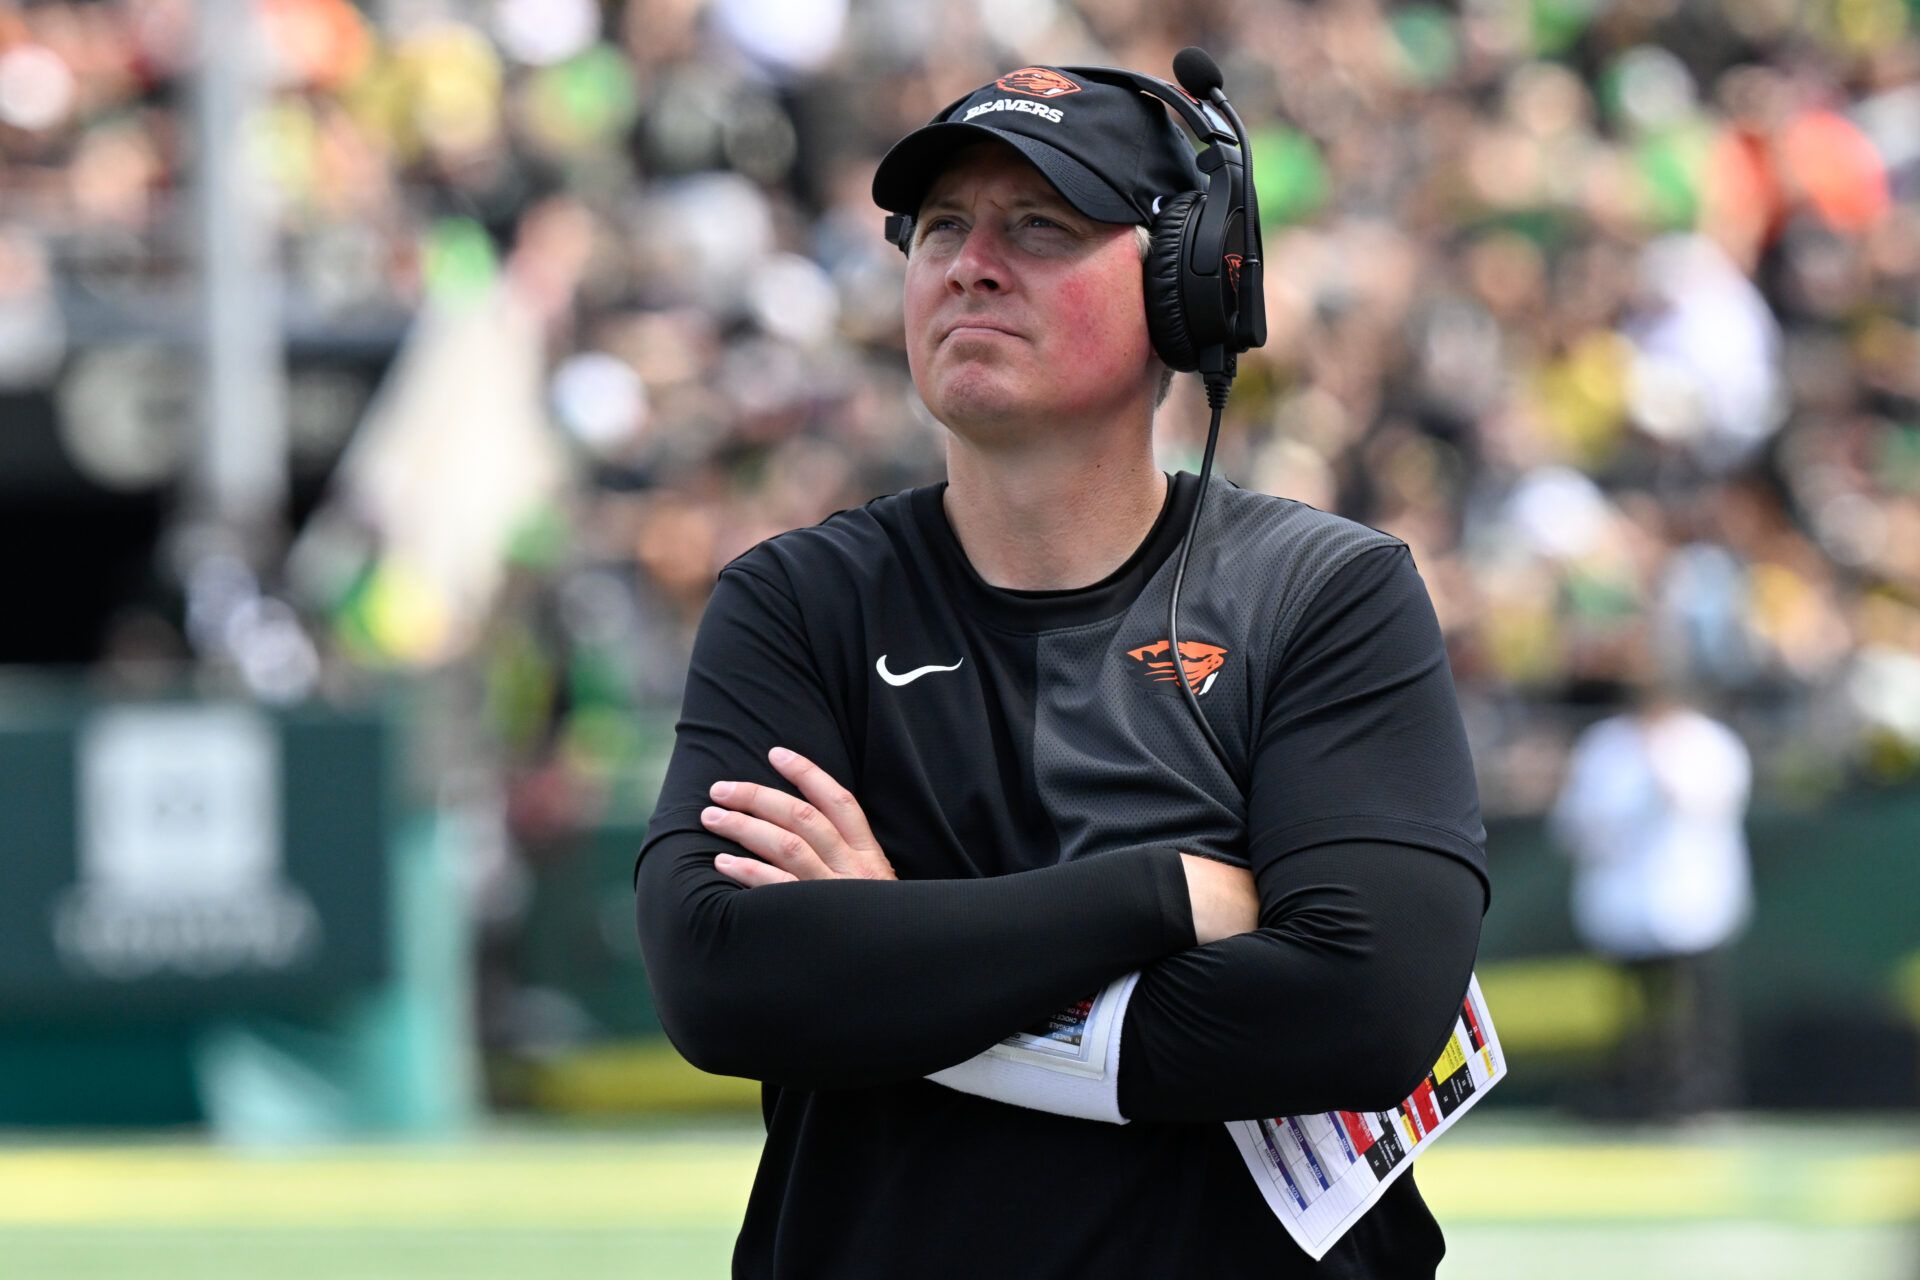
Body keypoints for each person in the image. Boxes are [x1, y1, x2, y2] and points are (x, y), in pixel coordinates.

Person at [634, 60, 1489, 1277]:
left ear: (1192, 285)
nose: (971, 262)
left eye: (1040, 224)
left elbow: (1363, 1010)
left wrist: (885, 953)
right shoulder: (797, 601)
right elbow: (719, 980)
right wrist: (1166, 896)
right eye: (940, 227)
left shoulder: (1325, 592)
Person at [1550, 687, 1752, 1120]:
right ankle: (1634, 1096)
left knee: (1694, 1012)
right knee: (1631, 1014)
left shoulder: (1708, 744)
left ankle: (1697, 1099)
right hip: (1623, 909)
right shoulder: (1605, 747)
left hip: (1692, 908)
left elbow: (1707, 804)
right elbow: (1576, 823)